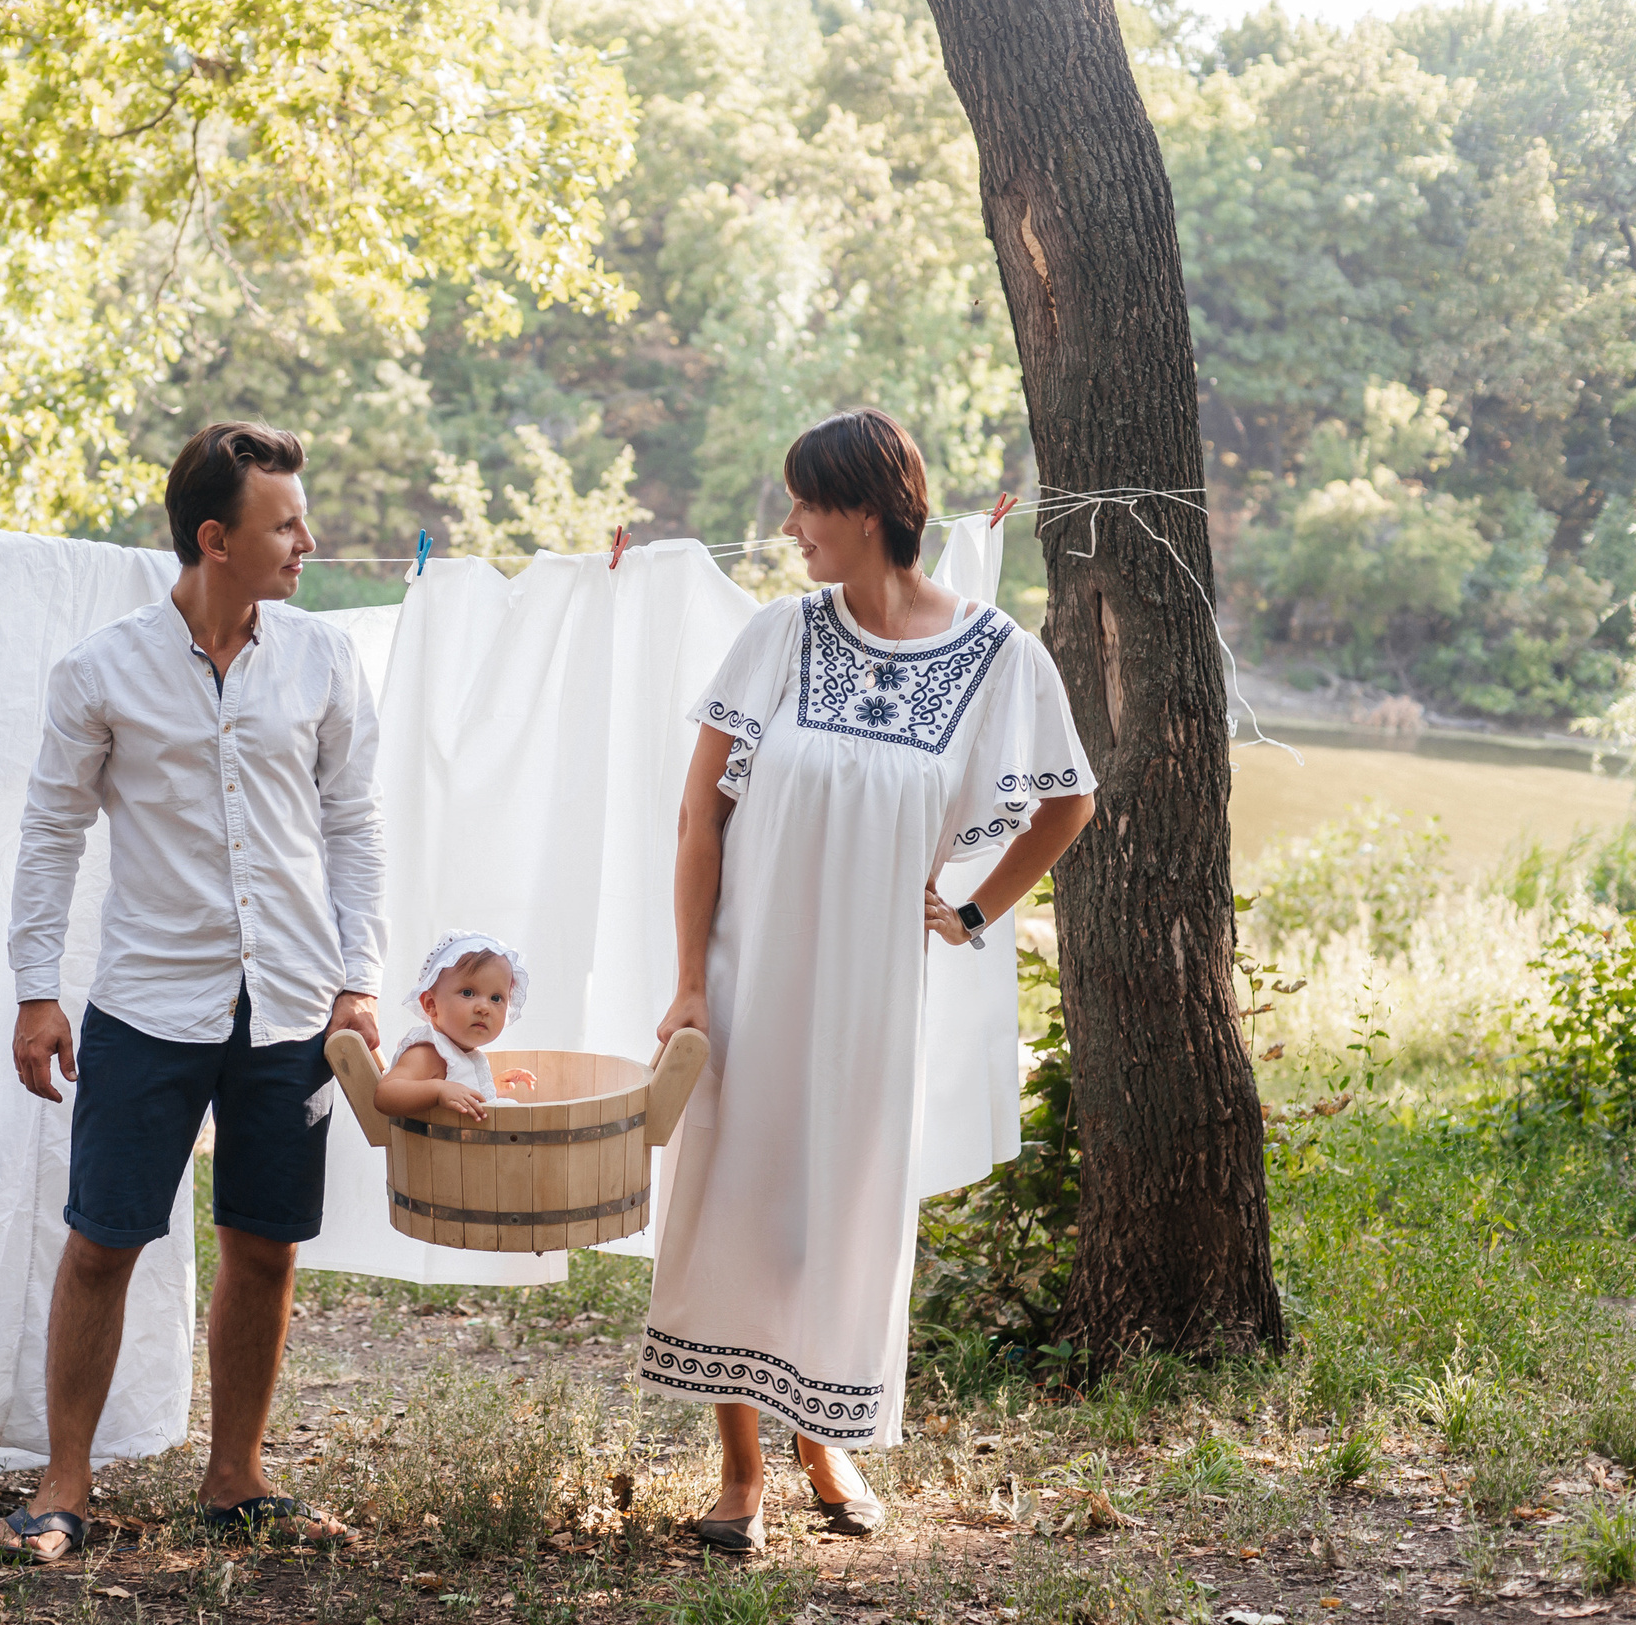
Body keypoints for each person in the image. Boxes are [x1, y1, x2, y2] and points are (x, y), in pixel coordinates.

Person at [641, 409, 1097, 1552]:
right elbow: (702, 812)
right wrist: (690, 979)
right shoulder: (779, 635)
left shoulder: (996, 655)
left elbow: (1066, 799)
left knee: (838, 1214)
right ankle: (740, 1467)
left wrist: (978, 907)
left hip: (872, 993)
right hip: (750, 973)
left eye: (806, 505)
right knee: (733, 1201)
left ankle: (821, 1434)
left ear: (868, 509)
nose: (789, 526)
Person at [0, 422, 385, 1562]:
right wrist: (34, 988)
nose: (306, 540)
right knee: (103, 1240)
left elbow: (355, 826)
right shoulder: (100, 670)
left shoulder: (323, 658)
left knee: (265, 1243)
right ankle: (63, 1482)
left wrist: (358, 981)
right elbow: (50, 831)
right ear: (215, 539)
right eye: (283, 523)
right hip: (148, 1005)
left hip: (292, 1008)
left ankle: (235, 1474)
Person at [374, 931, 539, 1119]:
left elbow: (456, 1085)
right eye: (468, 993)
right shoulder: (429, 1052)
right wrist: (438, 1091)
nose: (484, 1008)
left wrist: (492, 1089)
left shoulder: (460, 1051)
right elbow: (385, 1094)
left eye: (496, 998)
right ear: (431, 1004)